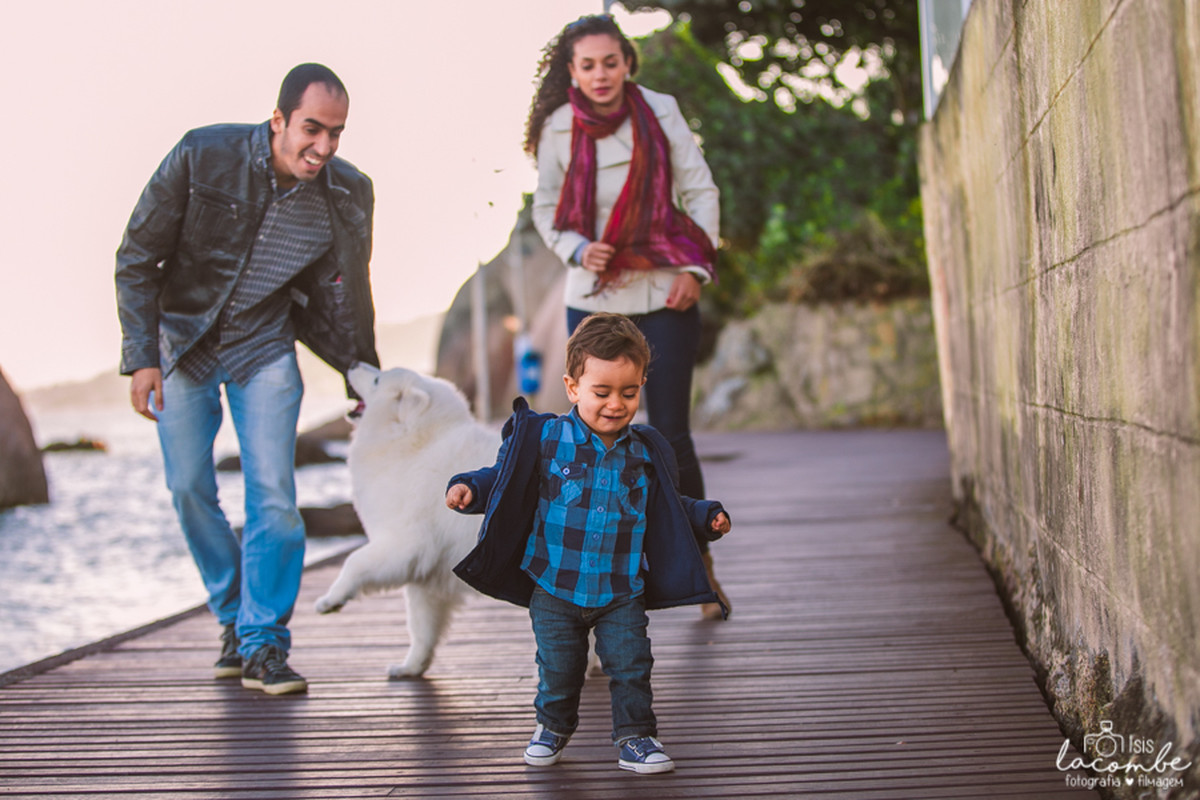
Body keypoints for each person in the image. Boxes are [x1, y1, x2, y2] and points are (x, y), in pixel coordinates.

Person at [114, 63, 379, 695]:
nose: (324, 147)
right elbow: (136, 258)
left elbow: (347, 295)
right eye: (312, 129)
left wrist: (360, 375)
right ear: (279, 119)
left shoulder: (348, 193)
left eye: (336, 134)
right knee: (187, 489)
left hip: (264, 350)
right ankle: (233, 616)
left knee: (274, 498)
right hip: (182, 347)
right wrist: (140, 354)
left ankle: (263, 642)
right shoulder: (202, 155)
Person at [446, 312, 732, 774]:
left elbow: (669, 504)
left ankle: (636, 737)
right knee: (559, 669)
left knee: (632, 666)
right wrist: (470, 489)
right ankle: (552, 727)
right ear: (573, 386)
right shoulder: (546, 439)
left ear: (642, 384)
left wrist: (706, 516)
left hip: (621, 589)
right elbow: (502, 480)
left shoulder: (644, 451)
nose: (615, 404)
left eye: (629, 392)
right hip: (554, 585)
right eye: (601, 392)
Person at [524, 14, 730, 619]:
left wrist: (695, 270)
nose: (600, 74)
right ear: (572, 71)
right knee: (588, 444)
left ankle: (700, 569)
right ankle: (585, 581)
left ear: (627, 63)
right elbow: (547, 211)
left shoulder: (661, 112)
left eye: (610, 62)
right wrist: (576, 249)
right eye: (587, 65)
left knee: (670, 437)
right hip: (593, 296)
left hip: (666, 292)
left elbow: (700, 192)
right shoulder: (560, 129)